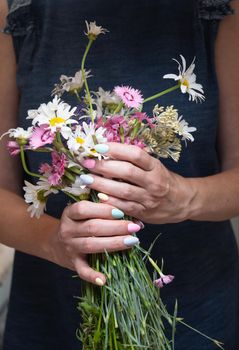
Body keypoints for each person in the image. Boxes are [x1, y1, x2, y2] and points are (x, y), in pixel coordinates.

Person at [0, 0, 239, 349]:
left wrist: (182, 197)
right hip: (53, 318)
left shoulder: (218, 7)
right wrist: (58, 243)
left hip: (196, 315)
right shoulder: (14, 7)